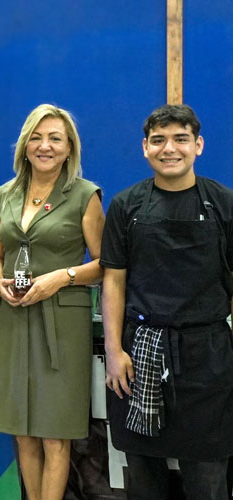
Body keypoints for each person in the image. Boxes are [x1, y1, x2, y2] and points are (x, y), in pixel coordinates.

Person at [102, 104, 233, 500]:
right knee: (142, 475)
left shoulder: (223, 204)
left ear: (199, 145)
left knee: (208, 477)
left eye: (180, 139)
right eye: (158, 140)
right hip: (141, 353)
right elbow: (113, 281)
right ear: (145, 148)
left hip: (208, 356)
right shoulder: (127, 206)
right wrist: (113, 350)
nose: (169, 148)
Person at [0, 104, 104, 500]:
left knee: (54, 436)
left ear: (69, 148)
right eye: (36, 137)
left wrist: (63, 276)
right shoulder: (7, 193)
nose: (45, 146)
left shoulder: (85, 196)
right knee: (23, 434)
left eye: (55, 138)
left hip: (62, 324)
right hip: (15, 317)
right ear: (24, 146)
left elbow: (106, 264)